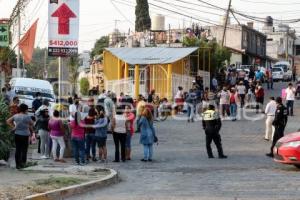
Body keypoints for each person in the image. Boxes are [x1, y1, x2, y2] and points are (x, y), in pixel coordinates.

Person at [7, 104, 34, 169]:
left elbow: (8, 121)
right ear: (26, 109)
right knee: (24, 150)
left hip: (17, 134)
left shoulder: (16, 116)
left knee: (18, 149)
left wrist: (14, 127)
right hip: (25, 134)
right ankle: (23, 164)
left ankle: (17, 165)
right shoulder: (27, 117)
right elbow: (32, 123)